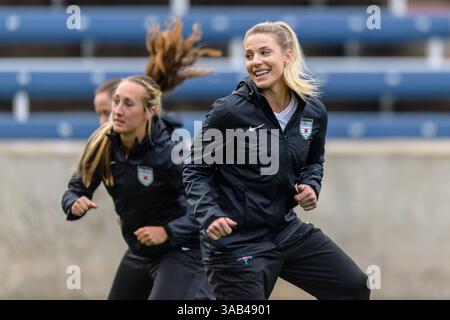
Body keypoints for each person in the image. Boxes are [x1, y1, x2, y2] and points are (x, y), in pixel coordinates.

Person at [183, 21, 370, 300]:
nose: (255, 62)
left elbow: (314, 160)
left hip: (285, 230)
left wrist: (310, 184)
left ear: (287, 56)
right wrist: (210, 214)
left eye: (264, 52)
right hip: (236, 242)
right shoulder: (228, 112)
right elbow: (195, 171)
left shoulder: (313, 110)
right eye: (249, 55)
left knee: (354, 287)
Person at [62, 19, 220, 300]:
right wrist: (74, 203)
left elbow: (208, 206)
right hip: (140, 251)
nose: (116, 111)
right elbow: (77, 188)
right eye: (116, 102)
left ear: (149, 112)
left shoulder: (172, 150)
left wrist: (167, 232)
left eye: (128, 103)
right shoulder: (102, 145)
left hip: (181, 250)